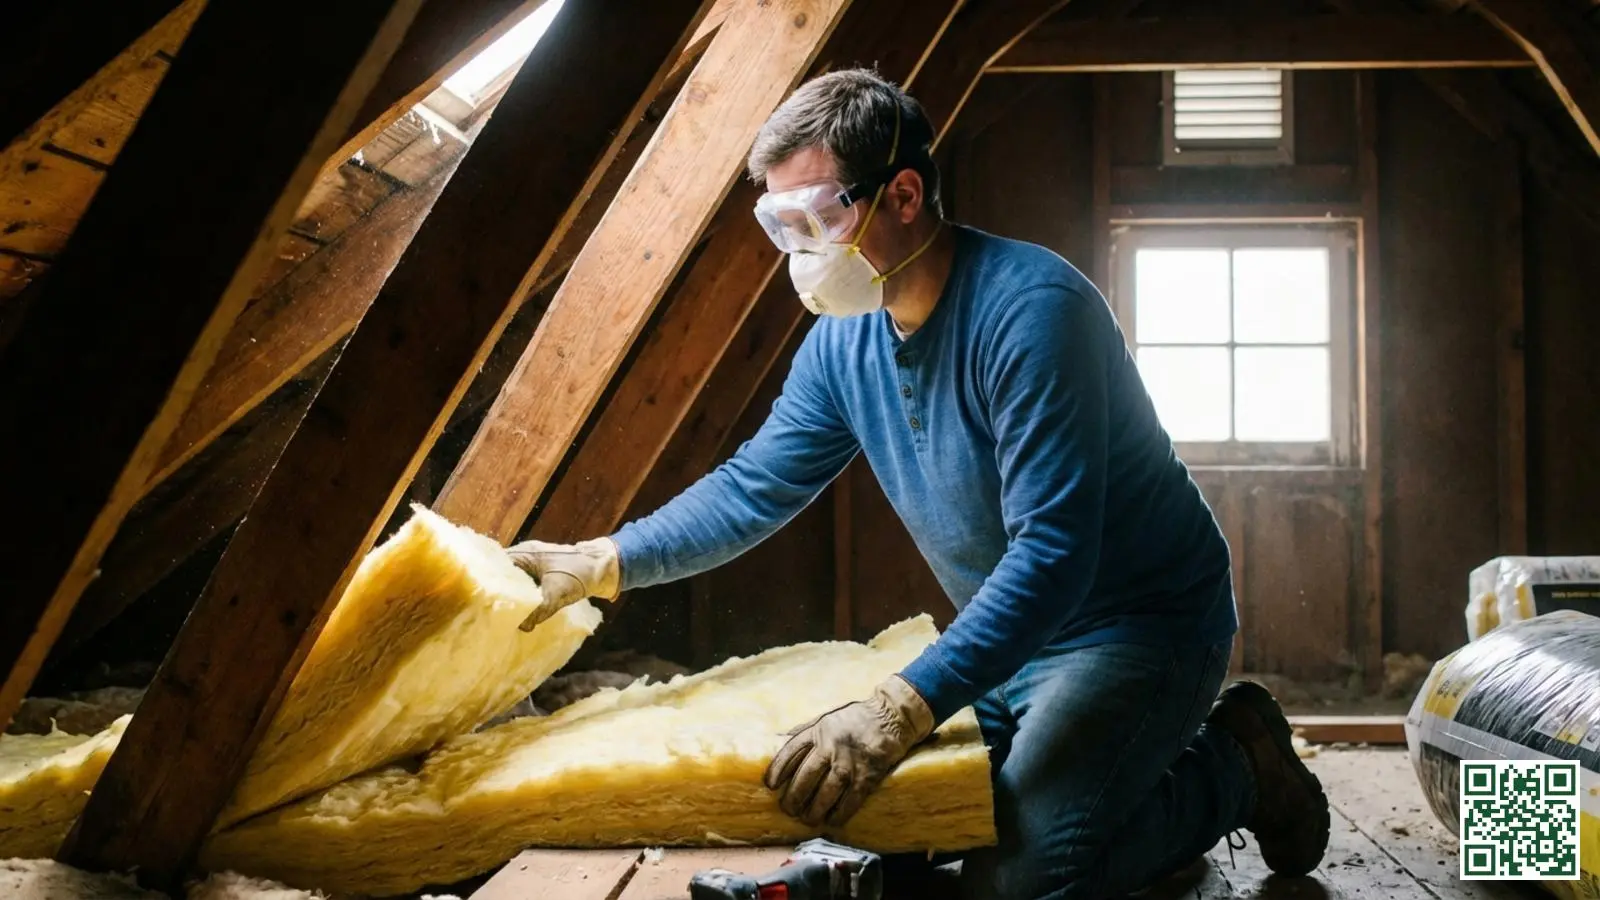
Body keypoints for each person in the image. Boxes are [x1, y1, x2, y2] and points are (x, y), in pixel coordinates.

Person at [508, 68, 1329, 900]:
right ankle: (1127, 805)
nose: (800, 249)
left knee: (1023, 882)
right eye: (778, 224)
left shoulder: (1034, 311)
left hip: (1133, 632)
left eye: (819, 217)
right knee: (890, 817)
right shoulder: (843, 342)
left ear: (903, 194)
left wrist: (902, 705)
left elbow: (1054, 552)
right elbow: (754, 486)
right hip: (1008, 639)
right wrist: (605, 559)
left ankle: (1236, 765)